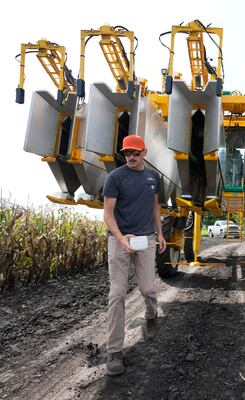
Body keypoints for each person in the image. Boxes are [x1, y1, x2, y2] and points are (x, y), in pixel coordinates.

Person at [102, 134, 166, 376]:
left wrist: (159, 233)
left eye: (135, 153)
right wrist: (121, 239)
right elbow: (108, 214)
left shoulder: (153, 177)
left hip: (146, 239)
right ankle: (115, 351)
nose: (130, 157)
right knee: (117, 294)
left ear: (144, 153)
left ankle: (151, 315)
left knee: (148, 288)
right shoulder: (114, 178)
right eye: (127, 153)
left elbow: (154, 205)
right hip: (120, 239)